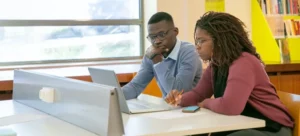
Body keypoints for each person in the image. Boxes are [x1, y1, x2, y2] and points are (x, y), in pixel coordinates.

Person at [165, 11, 294, 136]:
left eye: (202, 41)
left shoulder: (244, 62)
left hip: (271, 129)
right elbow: (198, 94)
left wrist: (205, 103)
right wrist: (179, 99)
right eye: (196, 41)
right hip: (243, 124)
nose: (197, 46)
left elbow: (230, 106)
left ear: (220, 41)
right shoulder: (216, 64)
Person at [122, 12, 202, 100]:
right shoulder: (152, 53)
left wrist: (158, 62)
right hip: (168, 109)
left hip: (192, 109)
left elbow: (178, 93)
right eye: (152, 37)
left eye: (161, 35)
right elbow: (135, 86)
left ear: (175, 32)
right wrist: (112, 96)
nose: (157, 41)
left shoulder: (189, 52)